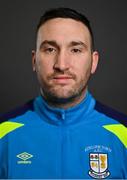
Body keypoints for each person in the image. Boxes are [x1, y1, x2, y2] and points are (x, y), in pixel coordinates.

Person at [0, 7, 127, 179]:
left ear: (93, 61)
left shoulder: (123, 133)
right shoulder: (3, 134)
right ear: (34, 60)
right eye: (50, 49)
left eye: (75, 50)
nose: (61, 64)